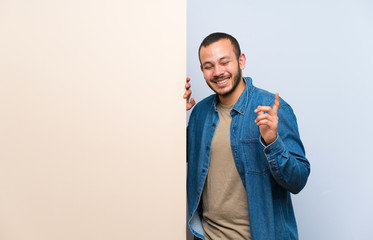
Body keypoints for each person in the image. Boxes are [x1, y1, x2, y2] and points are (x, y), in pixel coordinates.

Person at [184, 32, 310, 240]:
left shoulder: (271, 109)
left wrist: (273, 142)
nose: (218, 72)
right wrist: (172, 117)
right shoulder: (199, 113)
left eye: (224, 62)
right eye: (209, 66)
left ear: (241, 60)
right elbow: (173, 160)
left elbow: (298, 181)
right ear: (202, 70)